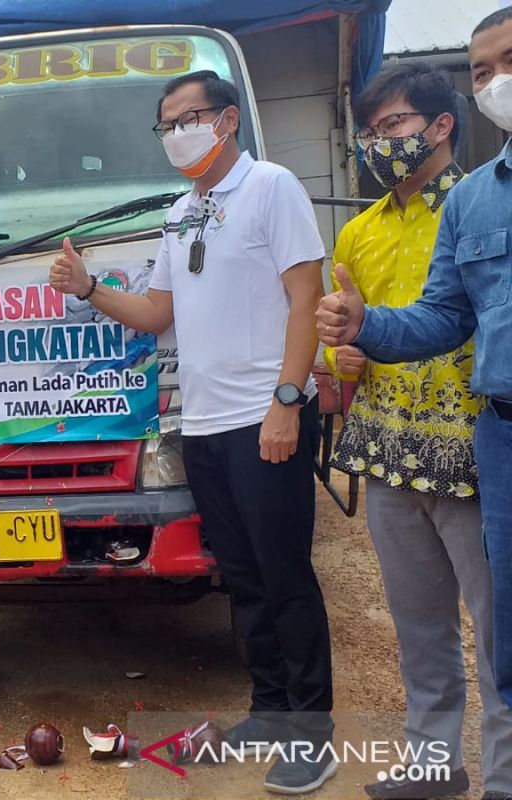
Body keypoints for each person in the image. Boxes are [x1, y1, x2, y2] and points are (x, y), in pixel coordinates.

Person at [51, 71, 332, 794]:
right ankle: (269, 708)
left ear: (228, 119)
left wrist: (287, 399)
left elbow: (307, 300)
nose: (178, 133)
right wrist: (87, 289)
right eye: (167, 124)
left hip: (265, 418)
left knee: (286, 576)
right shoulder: (180, 213)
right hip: (204, 425)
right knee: (242, 578)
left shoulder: (273, 187)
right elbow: (154, 314)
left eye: (190, 117)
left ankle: (313, 732)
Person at [317, 8, 512, 715]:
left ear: (441, 125)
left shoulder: (471, 202)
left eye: (391, 126)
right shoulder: (358, 235)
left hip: (474, 454)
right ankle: (434, 765)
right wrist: (343, 344)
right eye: (368, 132)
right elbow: (357, 343)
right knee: (419, 629)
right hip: (387, 455)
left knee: (499, 637)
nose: (376, 144)